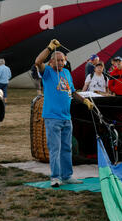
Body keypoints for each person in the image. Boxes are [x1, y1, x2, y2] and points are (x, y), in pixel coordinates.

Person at [34, 39, 94, 188]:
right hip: (52, 117)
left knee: (67, 148)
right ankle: (55, 177)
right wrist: (49, 48)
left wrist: (84, 101)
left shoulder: (67, 73)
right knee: (55, 148)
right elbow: (38, 61)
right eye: (58, 60)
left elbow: (72, 92)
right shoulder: (47, 72)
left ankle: (67, 176)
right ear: (51, 62)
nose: (61, 63)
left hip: (66, 117)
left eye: (63, 60)